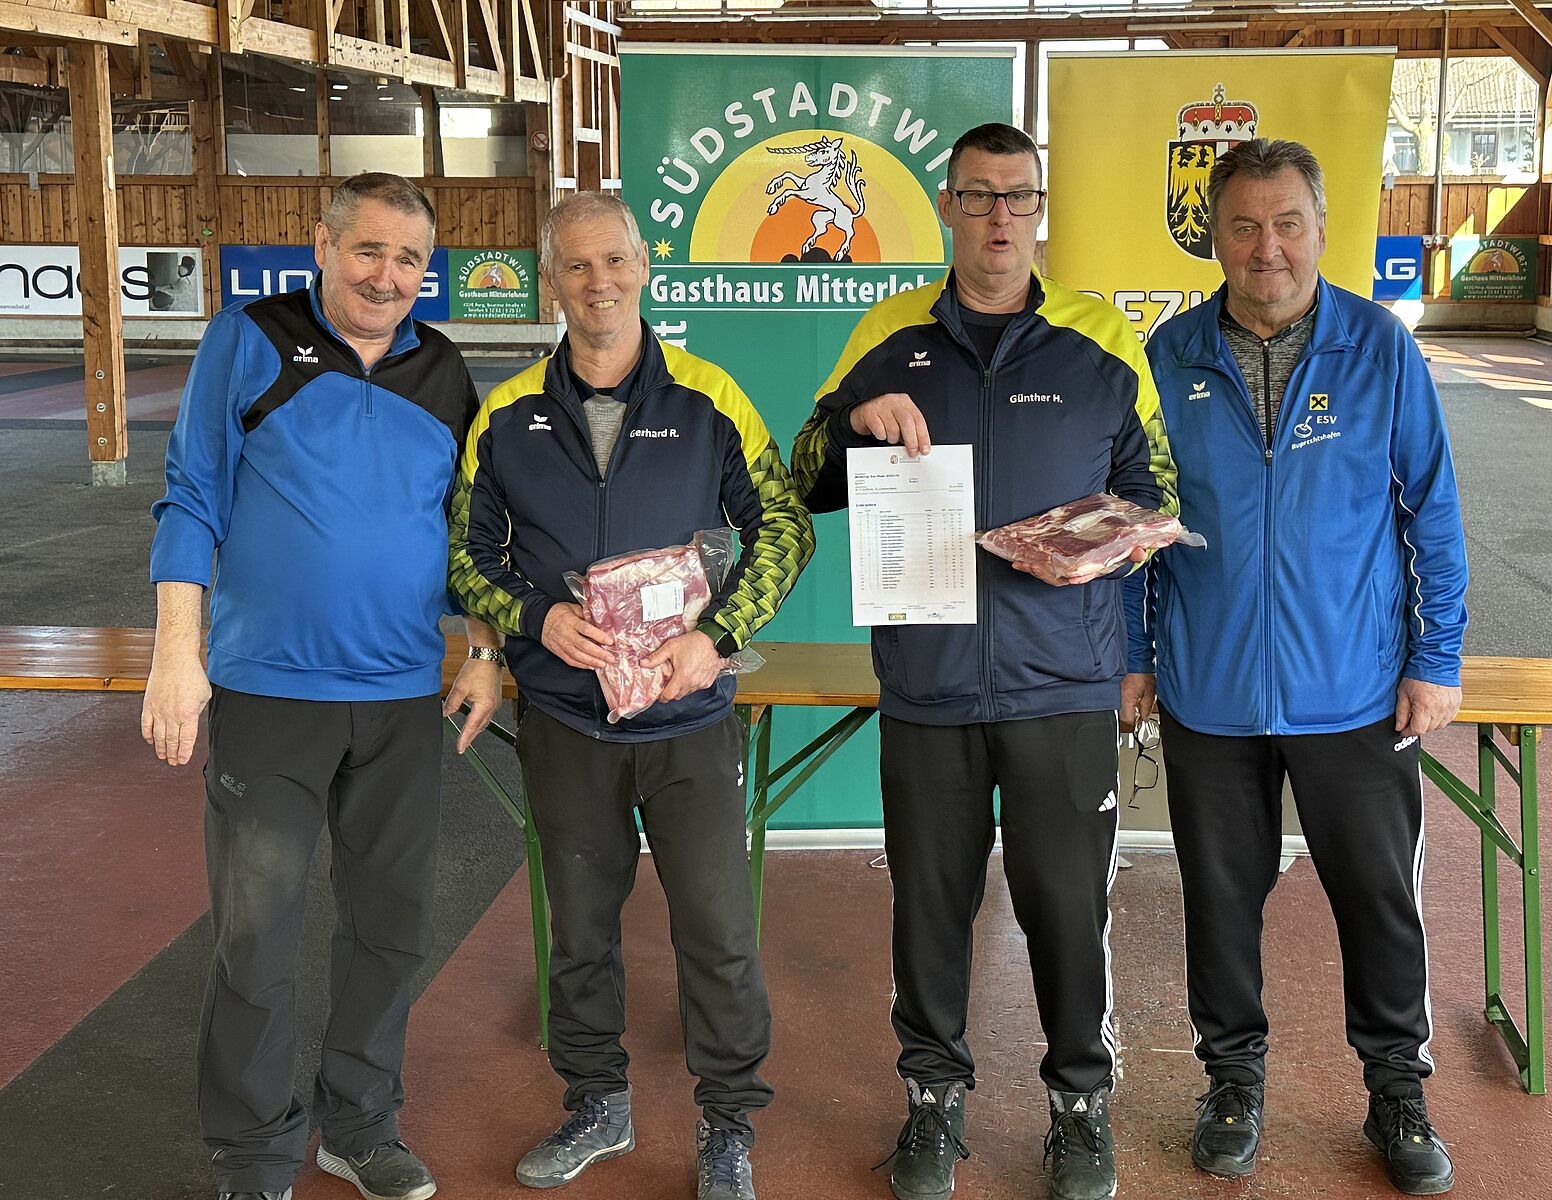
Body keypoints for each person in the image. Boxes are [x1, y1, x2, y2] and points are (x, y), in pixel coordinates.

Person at [789, 122, 1178, 1200]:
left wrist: (1100, 548)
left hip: (1063, 685)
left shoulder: (1102, 341)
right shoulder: (887, 331)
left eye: (1018, 197)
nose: (999, 217)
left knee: (1067, 908)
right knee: (930, 907)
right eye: (977, 196)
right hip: (931, 684)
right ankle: (932, 1099)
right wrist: (854, 419)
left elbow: (1156, 502)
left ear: (1039, 209)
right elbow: (807, 473)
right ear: (947, 207)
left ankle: (1079, 1106)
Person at [448, 191, 814, 1200]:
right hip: (566, 721)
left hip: (688, 722)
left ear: (644, 267)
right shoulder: (507, 413)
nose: (598, 283)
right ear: (550, 281)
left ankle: (728, 1124)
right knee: (579, 931)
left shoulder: (709, 396)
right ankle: (596, 1104)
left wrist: (715, 639)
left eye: (613, 261)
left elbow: (784, 527)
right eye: (575, 265)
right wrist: (535, 620)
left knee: (718, 933)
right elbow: (467, 555)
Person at [144, 171, 502, 1200]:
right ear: (322, 245)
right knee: (255, 937)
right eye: (368, 251)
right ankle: (254, 1157)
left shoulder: (443, 369)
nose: (386, 276)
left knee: (389, 927)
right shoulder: (249, 338)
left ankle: (360, 1125)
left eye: (408, 260)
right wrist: (178, 652)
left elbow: (468, 528)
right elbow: (192, 495)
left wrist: (483, 647)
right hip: (269, 693)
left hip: (401, 697)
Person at [1121, 138, 1467, 1196]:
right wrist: (1135, 656)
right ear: (1213, 238)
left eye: (1286, 224)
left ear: (1320, 229)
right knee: (1220, 902)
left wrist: (1435, 656)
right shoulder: (1170, 354)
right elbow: (1136, 524)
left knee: (1378, 902)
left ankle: (1396, 1090)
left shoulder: (1379, 347)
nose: (1265, 247)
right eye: (1243, 226)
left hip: (1354, 690)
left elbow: (1432, 511)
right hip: (1210, 691)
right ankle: (1232, 1083)